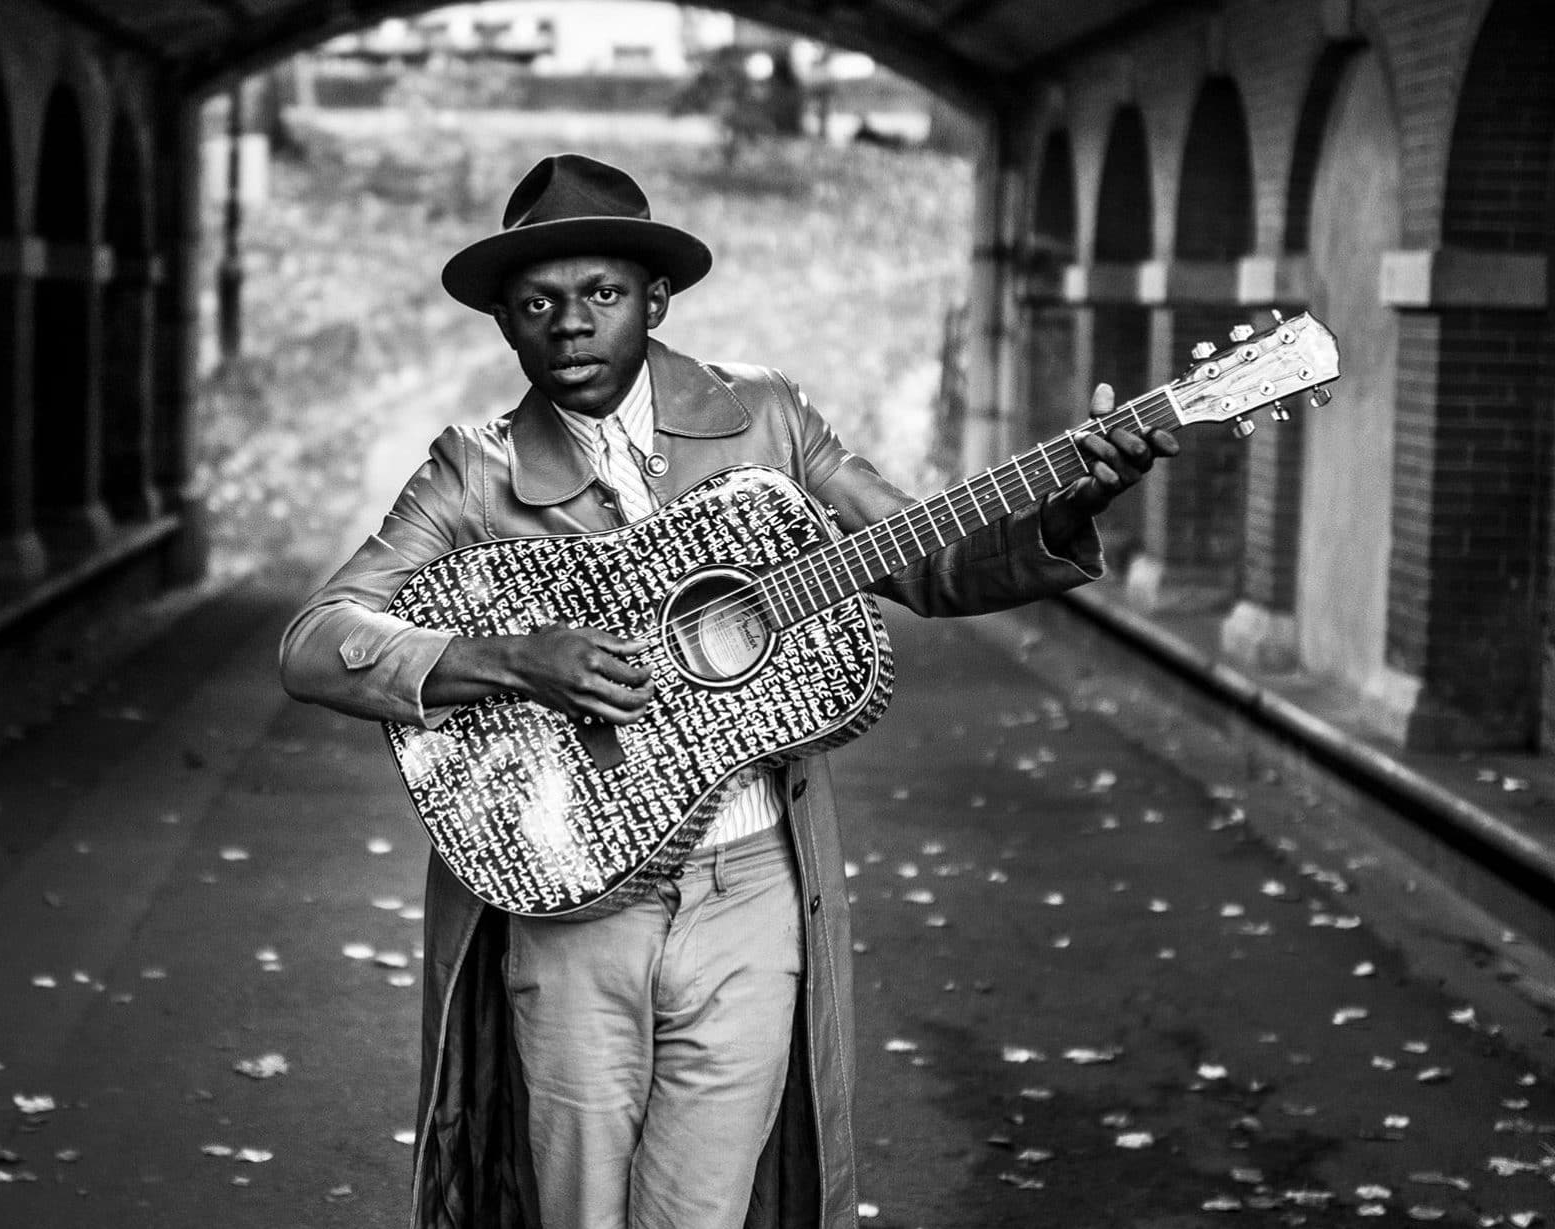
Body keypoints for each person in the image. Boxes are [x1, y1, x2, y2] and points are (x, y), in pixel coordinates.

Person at [278, 153, 1177, 1229]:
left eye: (601, 294)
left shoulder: (767, 419)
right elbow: (316, 638)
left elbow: (924, 560)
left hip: (749, 885)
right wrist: (512, 657)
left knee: (701, 1210)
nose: (570, 324)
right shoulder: (469, 471)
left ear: (655, 299)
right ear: (507, 326)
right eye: (537, 304)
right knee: (573, 1206)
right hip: (568, 886)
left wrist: (1067, 504)